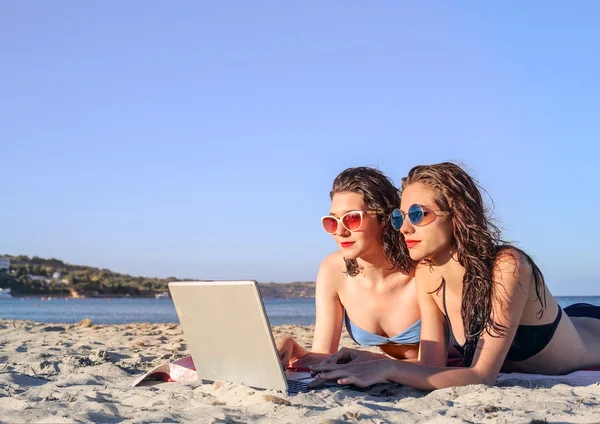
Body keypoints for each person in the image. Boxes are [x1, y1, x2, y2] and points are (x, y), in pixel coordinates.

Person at [310, 162, 600, 390]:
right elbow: (429, 367)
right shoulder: (427, 274)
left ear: (457, 214)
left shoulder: (507, 266)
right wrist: (372, 359)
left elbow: (482, 375)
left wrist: (388, 368)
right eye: (400, 218)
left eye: (418, 215)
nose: (404, 229)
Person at [276, 166, 421, 369]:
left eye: (352, 218)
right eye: (332, 221)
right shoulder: (333, 270)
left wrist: (371, 361)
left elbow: (440, 364)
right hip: (393, 371)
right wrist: (292, 347)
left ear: (385, 218)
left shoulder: (422, 269)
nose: (340, 231)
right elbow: (324, 355)